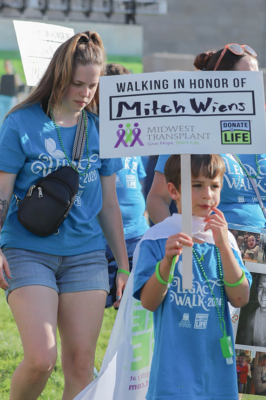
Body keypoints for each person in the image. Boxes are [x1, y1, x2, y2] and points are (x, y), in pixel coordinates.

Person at [0, 32, 129, 400]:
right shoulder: (21, 123)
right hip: (26, 250)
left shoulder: (103, 130)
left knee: (80, 364)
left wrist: (122, 265)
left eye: (92, 84)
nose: (86, 92)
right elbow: (2, 193)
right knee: (42, 358)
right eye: (77, 83)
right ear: (58, 76)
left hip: (86, 255)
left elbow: (108, 203)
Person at [146, 45, 266, 254]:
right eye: (246, 79)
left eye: (257, 78)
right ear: (219, 83)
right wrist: (182, 241)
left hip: (265, 252)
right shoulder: (189, 128)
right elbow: (157, 198)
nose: (256, 86)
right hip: (207, 250)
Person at [133, 154, 252, 400]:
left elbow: (240, 297)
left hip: (217, 370)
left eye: (215, 186)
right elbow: (149, 302)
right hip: (172, 374)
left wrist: (224, 246)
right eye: (197, 185)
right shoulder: (157, 238)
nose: (207, 194)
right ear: (173, 190)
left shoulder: (224, 239)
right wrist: (167, 262)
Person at [103, 63, 149, 308]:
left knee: (134, 307)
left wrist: (143, 214)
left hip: (136, 235)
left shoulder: (133, 135)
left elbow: (138, 181)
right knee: (98, 302)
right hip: (101, 238)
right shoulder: (94, 132)